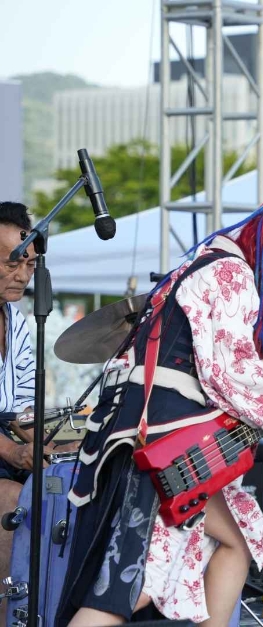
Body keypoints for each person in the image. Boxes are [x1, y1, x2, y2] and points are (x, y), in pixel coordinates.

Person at [57, 192, 263, 626]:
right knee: (129, 588)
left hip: (155, 439)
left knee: (237, 540)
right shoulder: (232, 274)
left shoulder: (205, 263)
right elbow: (229, 370)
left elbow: (214, 363)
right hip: (160, 447)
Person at [0, 202, 56, 627]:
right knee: (16, 503)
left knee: (58, 489)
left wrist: (53, 444)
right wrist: (15, 453)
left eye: (30, 264)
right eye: (11, 262)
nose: (22, 274)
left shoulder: (17, 324)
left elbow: (20, 414)